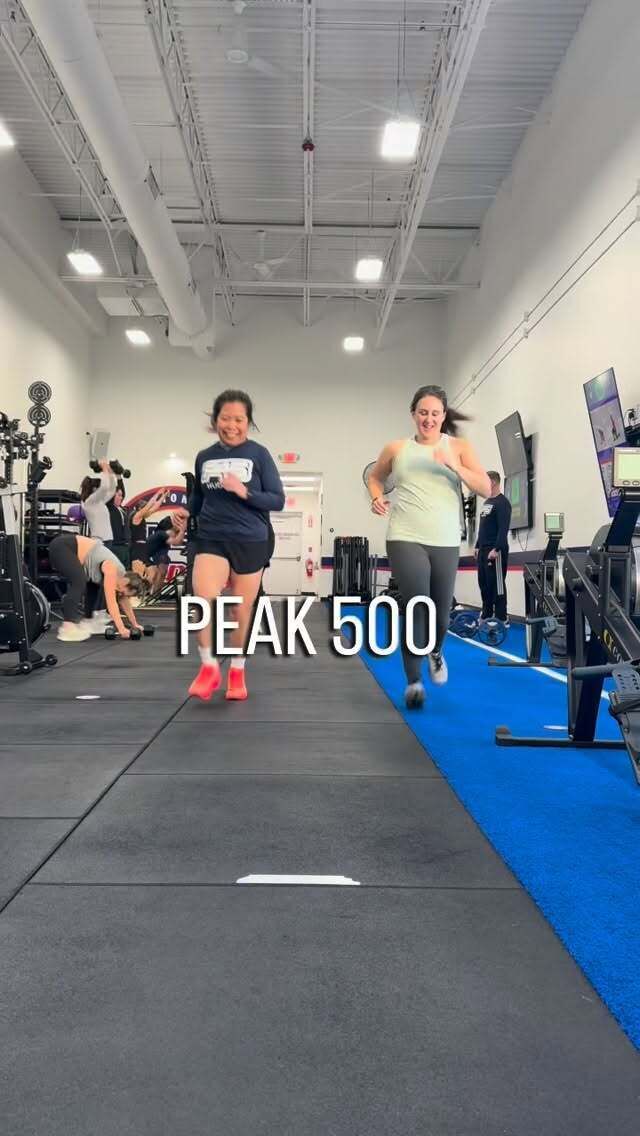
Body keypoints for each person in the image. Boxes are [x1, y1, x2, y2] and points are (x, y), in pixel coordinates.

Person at [367, 384, 491, 709]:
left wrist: (455, 466)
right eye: (423, 412)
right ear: (413, 414)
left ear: (443, 416)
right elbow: (375, 477)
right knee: (417, 606)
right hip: (404, 535)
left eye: (435, 413)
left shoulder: (459, 447)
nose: (429, 419)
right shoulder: (396, 448)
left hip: (446, 539)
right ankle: (413, 681)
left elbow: (486, 488)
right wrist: (377, 497)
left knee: (441, 614)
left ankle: (435, 650)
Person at [186, 388, 285, 702]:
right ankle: (208, 666)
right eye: (226, 418)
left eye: (239, 419)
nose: (232, 425)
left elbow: (277, 500)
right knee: (202, 601)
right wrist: (185, 515)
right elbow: (198, 499)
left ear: (248, 422)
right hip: (212, 536)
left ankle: (237, 672)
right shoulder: (204, 456)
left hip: (250, 539)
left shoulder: (259, 454)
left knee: (240, 611)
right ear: (215, 420)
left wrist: (244, 491)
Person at [48, 532, 146, 642]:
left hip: (70, 551)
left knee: (93, 585)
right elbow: (111, 602)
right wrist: (121, 628)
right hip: (63, 547)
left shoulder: (122, 576)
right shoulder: (111, 569)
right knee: (79, 582)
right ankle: (67, 628)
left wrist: (135, 624)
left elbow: (124, 601)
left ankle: (89, 622)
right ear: (126, 581)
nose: (120, 594)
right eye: (123, 592)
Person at [474, 471, 512, 625]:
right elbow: (483, 528)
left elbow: (503, 529)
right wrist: (477, 545)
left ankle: (502, 617)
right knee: (484, 584)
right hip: (483, 550)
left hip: (495, 551)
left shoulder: (503, 503)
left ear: (493, 482)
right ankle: (487, 613)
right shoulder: (487, 502)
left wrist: (496, 549)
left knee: (497, 585)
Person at [130, 488, 168, 580]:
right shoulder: (136, 517)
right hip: (137, 549)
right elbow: (149, 505)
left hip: (143, 549)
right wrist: (158, 493)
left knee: (153, 571)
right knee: (138, 575)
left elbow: (154, 508)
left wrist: (163, 496)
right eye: (145, 508)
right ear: (140, 509)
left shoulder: (142, 517)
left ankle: (147, 589)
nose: (148, 510)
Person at [79, 460, 117, 543]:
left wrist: (110, 473)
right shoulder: (90, 502)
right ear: (94, 489)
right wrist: (104, 469)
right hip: (100, 541)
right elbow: (105, 487)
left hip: (107, 540)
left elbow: (112, 490)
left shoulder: (99, 502)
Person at [107, 480, 131, 568]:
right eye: (119, 495)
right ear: (112, 496)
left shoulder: (122, 510)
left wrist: (119, 477)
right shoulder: (110, 508)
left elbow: (122, 492)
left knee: (126, 572)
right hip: (115, 546)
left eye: (122, 496)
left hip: (125, 546)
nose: (121, 498)